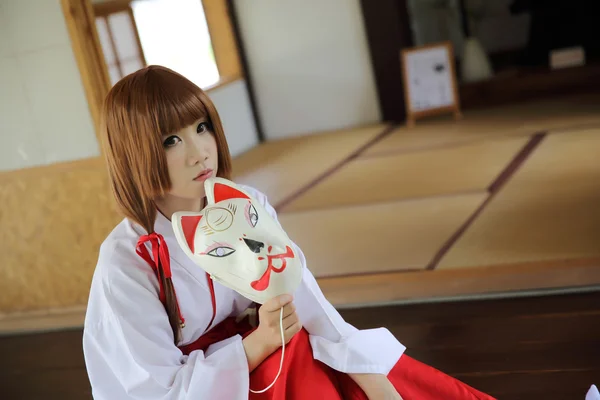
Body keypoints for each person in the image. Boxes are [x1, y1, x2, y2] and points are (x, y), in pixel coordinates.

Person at [82, 65, 495, 399]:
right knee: (294, 351)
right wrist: (258, 344)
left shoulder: (245, 204)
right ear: (133, 154)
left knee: (367, 373)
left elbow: (307, 302)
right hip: (204, 385)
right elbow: (156, 389)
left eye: (202, 127)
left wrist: (376, 383)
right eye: (172, 139)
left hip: (262, 352)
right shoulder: (127, 261)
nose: (199, 151)